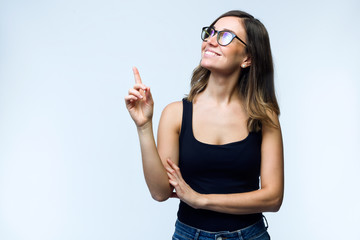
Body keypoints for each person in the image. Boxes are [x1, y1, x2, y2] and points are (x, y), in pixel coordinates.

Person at [125, 10, 283, 240]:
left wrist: (201, 199)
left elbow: (273, 198)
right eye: (211, 32)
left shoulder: (264, 116)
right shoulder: (175, 114)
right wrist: (143, 126)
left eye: (225, 36)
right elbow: (160, 193)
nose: (210, 40)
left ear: (247, 58)